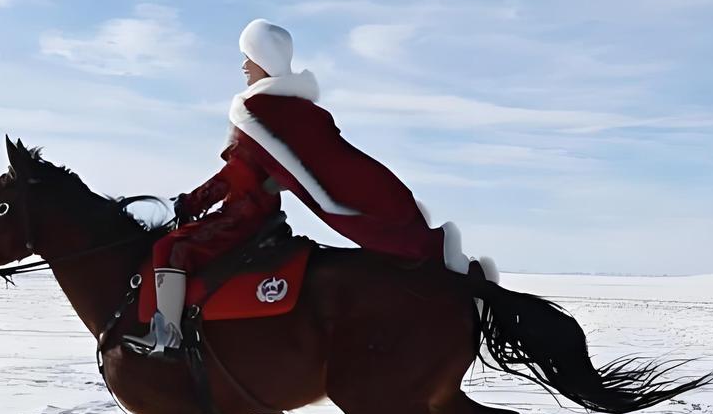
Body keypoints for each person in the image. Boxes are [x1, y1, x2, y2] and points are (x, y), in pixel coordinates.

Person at [125, 19, 482, 356]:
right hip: (262, 215)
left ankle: (166, 333)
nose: (244, 66)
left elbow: (238, 176)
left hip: (242, 217)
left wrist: (188, 203)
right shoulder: (295, 112)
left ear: (264, 60)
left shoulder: (255, 111)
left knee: (169, 250)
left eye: (248, 58)